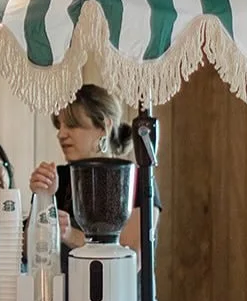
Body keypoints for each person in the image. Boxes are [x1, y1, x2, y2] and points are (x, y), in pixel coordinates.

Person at [27, 84, 160, 261]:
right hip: (61, 288)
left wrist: (70, 235)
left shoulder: (137, 179)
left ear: (104, 127)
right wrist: (42, 199)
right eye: (59, 125)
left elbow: (131, 258)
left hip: (118, 288)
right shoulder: (57, 178)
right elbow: (28, 253)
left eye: (72, 126)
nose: (61, 134)